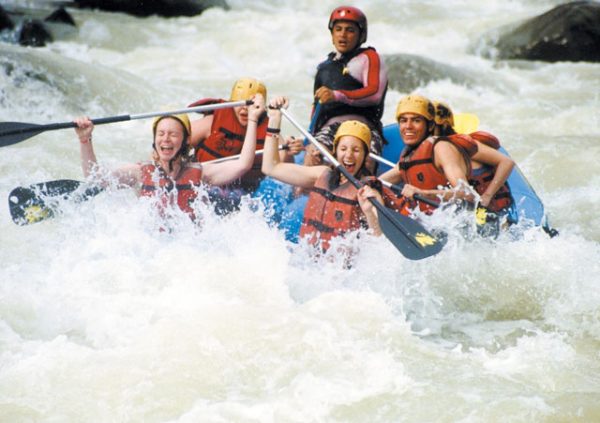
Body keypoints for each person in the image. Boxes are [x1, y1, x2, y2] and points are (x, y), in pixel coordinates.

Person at [73, 94, 266, 221]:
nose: (166, 139)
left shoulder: (200, 173)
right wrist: (85, 140)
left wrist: (252, 119)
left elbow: (243, 164)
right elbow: (95, 177)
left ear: (185, 140)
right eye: (161, 134)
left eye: (173, 134)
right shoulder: (140, 172)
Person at [262, 96, 384, 253]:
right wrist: (274, 119)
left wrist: (369, 212)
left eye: (356, 150)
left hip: (341, 272)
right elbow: (270, 167)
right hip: (310, 263)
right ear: (334, 151)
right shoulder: (322, 174)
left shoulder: (369, 190)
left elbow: (379, 240)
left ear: (365, 155)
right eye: (343, 149)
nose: (348, 156)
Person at [188, 78, 302, 199]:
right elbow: (178, 144)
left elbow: (283, 168)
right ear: (232, 103)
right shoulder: (210, 123)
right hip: (207, 187)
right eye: (240, 103)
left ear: (260, 107)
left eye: (250, 104)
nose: (244, 109)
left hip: (245, 195)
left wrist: (290, 153)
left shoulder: (270, 131)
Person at [311, 5, 388, 173]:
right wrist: (309, 139)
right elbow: (316, 108)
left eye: (350, 30)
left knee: (365, 162)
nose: (343, 35)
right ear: (332, 34)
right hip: (329, 128)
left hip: (362, 127)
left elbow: (374, 94)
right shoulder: (324, 67)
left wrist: (337, 95)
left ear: (361, 35)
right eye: (338, 29)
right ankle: (300, 197)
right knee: (312, 155)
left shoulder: (369, 58)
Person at [379, 94, 479, 215]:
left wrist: (424, 193)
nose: (408, 126)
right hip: (426, 221)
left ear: (430, 126)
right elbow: (380, 181)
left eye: (416, 120)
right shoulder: (409, 154)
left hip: (453, 224)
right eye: (403, 121)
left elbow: (467, 194)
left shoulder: (441, 148)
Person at [433, 101, 514, 213]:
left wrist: (487, 195)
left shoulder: (465, 145)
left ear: (444, 125)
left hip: (494, 210)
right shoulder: (431, 152)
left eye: (431, 125)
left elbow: (507, 162)